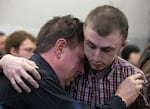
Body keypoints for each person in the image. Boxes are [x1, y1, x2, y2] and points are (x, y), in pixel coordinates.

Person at [0, 6, 148, 108]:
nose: (95, 57)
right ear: (60, 48)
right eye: (89, 46)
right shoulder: (35, 79)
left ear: (122, 45)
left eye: (107, 49)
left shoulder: (133, 77)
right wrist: (120, 100)